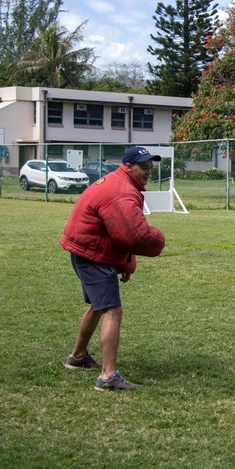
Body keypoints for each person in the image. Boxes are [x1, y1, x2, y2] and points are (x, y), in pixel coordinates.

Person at [60, 146, 167, 391]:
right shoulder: (122, 192)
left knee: (98, 306)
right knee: (112, 310)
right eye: (143, 168)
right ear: (128, 167)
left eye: (151, 168)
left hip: (87, 251)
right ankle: (108, 377)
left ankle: (77, 357)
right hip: (93, 255)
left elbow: (115, 233)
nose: (148, 172)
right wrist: (158, 240)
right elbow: (135, 235)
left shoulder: (119, 182)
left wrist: (125, 262)